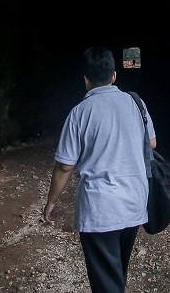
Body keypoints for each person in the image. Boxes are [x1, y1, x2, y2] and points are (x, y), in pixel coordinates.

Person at [42, 46, 157, 293]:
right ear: (114, 75)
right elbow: (152, 143)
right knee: (116, 274)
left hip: (100, 209)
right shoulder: (136, 103)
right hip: (135, 201)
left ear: (85, 79)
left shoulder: (79, 113)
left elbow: (65, 165)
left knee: (107, 283)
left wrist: (51, 202)